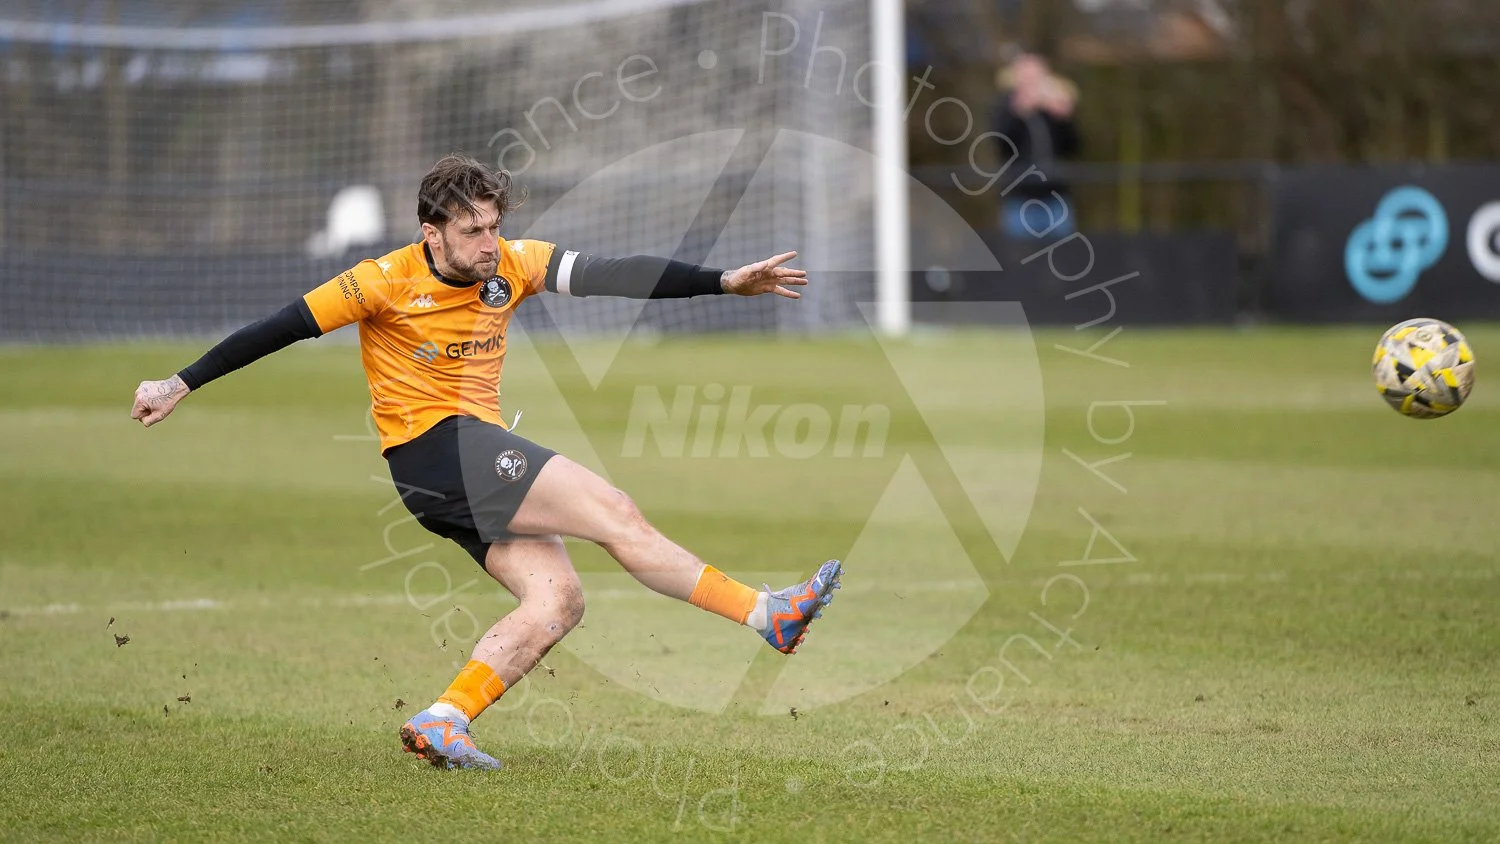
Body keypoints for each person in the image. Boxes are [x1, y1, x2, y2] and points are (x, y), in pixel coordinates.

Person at [130, 153, 843, 771]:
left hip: (454, 462)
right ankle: (767, 614)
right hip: (437, 448)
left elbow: (612, 273)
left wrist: (721, 281)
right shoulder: (380, 280)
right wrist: (178, 383)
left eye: (493, 226)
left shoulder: (513, 264)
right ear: (430, 232)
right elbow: (278, 328)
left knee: (558, 601)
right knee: (615, 512)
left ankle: (444, 718)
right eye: (471, 231)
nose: (487, 243)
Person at [992, 51, 1081, 240]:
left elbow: (1073, 147)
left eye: (1037, 76)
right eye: (1027, 77)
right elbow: (1001, 144)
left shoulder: (1052, 110)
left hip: (1055, 195)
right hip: (1019, 197)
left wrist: (1063, 118)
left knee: (1063, 255)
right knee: (1019, 257)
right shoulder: (1003, 107)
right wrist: (1018, 113)